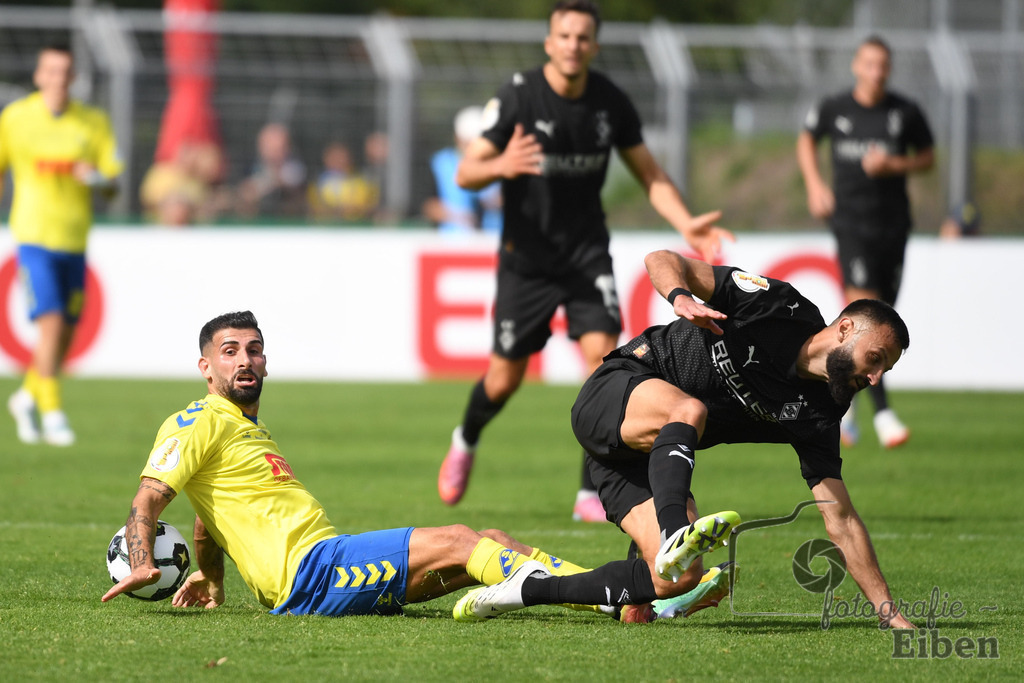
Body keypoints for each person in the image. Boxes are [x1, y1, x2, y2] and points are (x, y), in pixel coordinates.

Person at [100, 310, 729, 621]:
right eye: (229, 351)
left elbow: (207, 518)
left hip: (325, 566)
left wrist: (212, 580)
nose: (245, 360)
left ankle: (624, 600)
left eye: (254, 350)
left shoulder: (240, 429)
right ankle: (643, 593)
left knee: (491, 541)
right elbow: (149, 498)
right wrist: (144, 560)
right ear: (205, 367)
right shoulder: (197, 420)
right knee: (460, 540)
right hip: (309, 574)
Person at [452, 250, 914, 630]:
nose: (875, 377)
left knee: (675, 577)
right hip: (616, 388)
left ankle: (526, 590)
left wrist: (889, 613)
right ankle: (675, 531)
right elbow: (662, 258)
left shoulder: (820, 413)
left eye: (885, 369)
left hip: (635, 458)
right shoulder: (778, 306)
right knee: (689, 410)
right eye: (875, 358)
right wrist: (679, 296)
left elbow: (841, 519)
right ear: (845, 328)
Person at [438, 0, 733, 522]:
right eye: (564, 36)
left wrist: (686, 223)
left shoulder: (609, 102)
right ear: (549, 43)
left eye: (582, 37)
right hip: (527, 261)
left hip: (586, 257)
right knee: (503, 380)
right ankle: (466, 438)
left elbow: (650, 174)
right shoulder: (518, 95)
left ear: (594, 45)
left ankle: (587, 492)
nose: (573, 45)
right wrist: (504, 163)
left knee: (603, 368)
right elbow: (466, 173)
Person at [797, 34, 934, 449]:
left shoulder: (904, 112)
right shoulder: (835, 107)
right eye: (869, 64)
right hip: (851, 224)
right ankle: (885, 415)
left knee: (884, 318)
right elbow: (806, 139)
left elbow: (928, 157)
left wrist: (894, 164)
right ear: (857, 65)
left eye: (883, 65)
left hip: (892, 226)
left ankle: (847, 402)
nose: (876, 72)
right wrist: (815, 184)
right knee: (866, 314)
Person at [1, 43, 122, 446]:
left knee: (66, 332)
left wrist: (99, 178)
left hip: (74, 239)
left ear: (73, 77)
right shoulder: (16, 118)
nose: (57, 79)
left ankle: (25, 398)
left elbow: (114, 183)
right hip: (33, 236)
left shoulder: (92, 122)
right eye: (50, 71)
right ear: (39, 76)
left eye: (64, 71)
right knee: (50, 322)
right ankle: (52, 413)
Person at [423, 106, 502, 235]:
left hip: (491, 239)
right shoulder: (440, 163)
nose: (471, 149)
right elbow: (428, 206)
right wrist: (458, 216)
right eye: (467, 143)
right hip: (453, 240)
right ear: (457, 138)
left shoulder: (502, 162)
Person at [236, 122, 307, 219]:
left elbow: (292, 185)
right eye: (270, 148)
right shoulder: (247, 167)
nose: (274, 154)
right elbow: (244, 191)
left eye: (279, 148)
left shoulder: (296, 168)